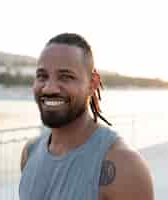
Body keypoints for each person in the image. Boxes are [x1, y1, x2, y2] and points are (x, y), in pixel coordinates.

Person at [19, 33, 154, 200]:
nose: (49, 88)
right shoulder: (30, 153)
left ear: (93, 84)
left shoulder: (124, 165)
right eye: (42, 76)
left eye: (65, 77)